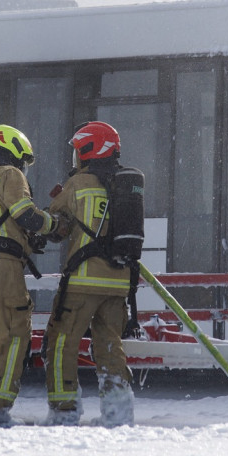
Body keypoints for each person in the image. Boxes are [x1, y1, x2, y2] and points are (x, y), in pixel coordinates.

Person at [0, 124, 62, 428]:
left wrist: (28, 240)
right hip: (2, 266)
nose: (24, 168)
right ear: (14, 149)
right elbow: (25, 214)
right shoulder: (8, 173)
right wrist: (54, 225)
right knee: (13, 334)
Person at [43, 121, 136, 427]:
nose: (76, 159)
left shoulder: (78, 184)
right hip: (118, 282)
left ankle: (64, 410)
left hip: (83, 280)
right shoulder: (125, 187)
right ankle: (118, 411)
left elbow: (55, 224)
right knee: (109, 346)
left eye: (78, 152)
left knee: (61, 343)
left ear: (89, 150)